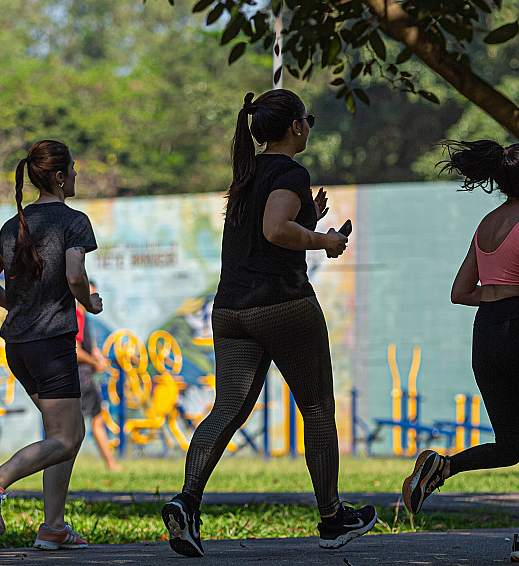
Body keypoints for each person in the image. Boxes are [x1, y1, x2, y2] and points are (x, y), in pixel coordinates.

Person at [160, 89, 375, 557]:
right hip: (282, 306)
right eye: (307, 120)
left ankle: (186, 502)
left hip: (231, 311)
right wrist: (325, 240)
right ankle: (332, 517)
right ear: (296, 126)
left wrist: (309, 215)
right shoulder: (291, 172)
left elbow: (266, 230)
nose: (309, 127)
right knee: (316, 409)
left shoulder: (247, 174)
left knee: (227, 409)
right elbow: (275, 230)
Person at [401, 139, 519, 563]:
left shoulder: (486, 225)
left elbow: (461, 292)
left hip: (486, 334)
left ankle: (443, 466)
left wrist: (498, 294)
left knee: (511, 445)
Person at [0, 139, 102, 550]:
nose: (75, 174)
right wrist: (88, 301)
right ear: (59, 177)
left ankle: (53, 526)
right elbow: (75, 274)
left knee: (65, 433)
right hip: (51, 346)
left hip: (19, 347)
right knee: (66, 438)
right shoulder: (74, 221)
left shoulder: (15, 224)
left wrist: (17, 304)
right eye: (72, 169)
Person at [76, 281, 120, 471]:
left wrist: (98, 357)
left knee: (91, 421)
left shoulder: (84, 318)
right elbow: (76, 351)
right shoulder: (77, 316)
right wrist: (95, 363)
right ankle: (111, 464)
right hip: (81, 379)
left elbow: (90, 347)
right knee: (90, 422)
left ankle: (111, 463)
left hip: (84, 378)